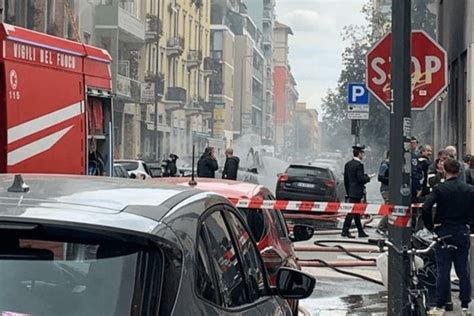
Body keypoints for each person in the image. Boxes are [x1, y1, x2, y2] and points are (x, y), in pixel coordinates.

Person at [422, 159, 474, 314]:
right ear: (459, 171)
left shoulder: (439, 189)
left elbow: (426, 208)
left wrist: (430, 226)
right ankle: (465, 306)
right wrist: (470, 225)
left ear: (444, 170)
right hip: (462, 231)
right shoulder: (469, 189)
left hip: (444, 231)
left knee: (443, 270)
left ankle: (440, 305)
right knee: (463, 270)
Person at [341, 145, 371, 238]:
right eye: (362, 153)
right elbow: (360, 179)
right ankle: (345, 230)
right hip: (357, 192)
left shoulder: (348, 164)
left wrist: (347, 191)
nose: (363, 155)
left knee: (356, 212)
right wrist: (368, 178)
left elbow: (346, 180)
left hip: (351, 191)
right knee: (352, 212)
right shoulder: (359, 165)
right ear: (359, 154)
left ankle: (360, 231)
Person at [377, 151, 389, 233]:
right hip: (386, 189)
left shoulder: (390, 165)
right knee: (389, 208)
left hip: (390, 189)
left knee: (389, 208)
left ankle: (385, 227)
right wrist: (392, 179)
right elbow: (380, 177)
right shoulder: (385, 165)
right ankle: (381, 226)